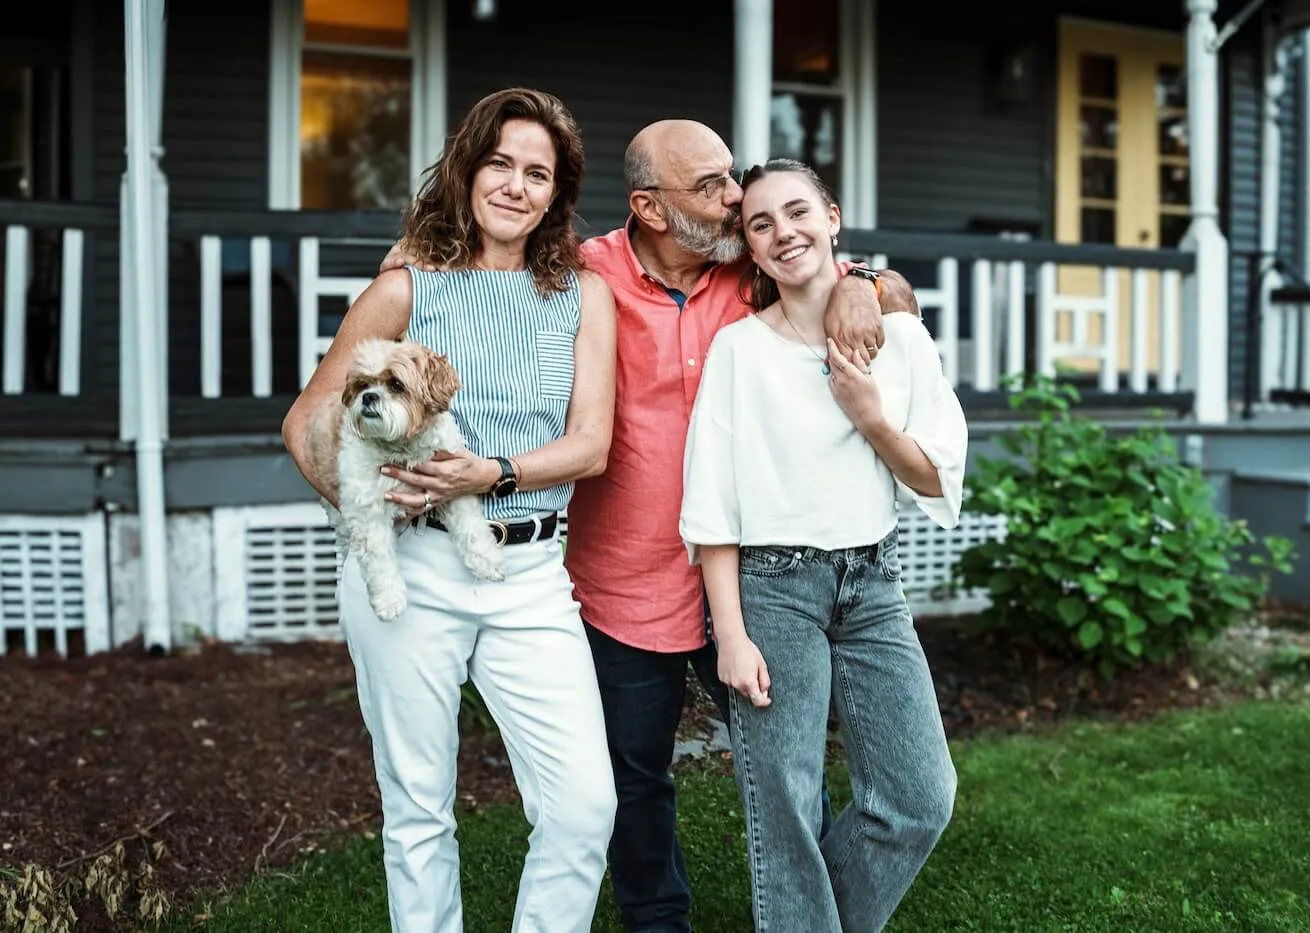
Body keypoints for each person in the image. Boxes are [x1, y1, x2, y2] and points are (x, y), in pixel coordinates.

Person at [382, 118, 920, 933]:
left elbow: (888, 294)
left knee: (786, 767)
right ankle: (657, 919)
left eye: (732, 176)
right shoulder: (580, 275)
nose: (737, 198)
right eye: (711, 186)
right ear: (651, 207)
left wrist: (863, 280)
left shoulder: (751, 271)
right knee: (634, 776)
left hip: (755, 573)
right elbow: (461, 273)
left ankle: (809, 918)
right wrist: (402, 268)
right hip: (624, 582)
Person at [282, 88, 619, 933]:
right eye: (500, 163)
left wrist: (489, 473)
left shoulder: (584, 294)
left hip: (532, 570)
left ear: (557, 192)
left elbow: (591, 444)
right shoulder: (407, 286)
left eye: (537, 172)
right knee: (420, 808)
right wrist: (367, 508)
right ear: (467, 171)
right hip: (416, 568)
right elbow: (308, 419)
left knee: (584, 804)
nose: (516, 185)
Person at [679, 158, 965, 933]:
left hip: (872, 584)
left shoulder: (899, 338)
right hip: (773, 587)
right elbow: (713, 508)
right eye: (761, 224)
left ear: (832, 218)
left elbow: (936, 479)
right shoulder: (740, 352)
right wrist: (731, 635)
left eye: (798, 212)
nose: (783, 233)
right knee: (787, 804)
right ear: (751, 247)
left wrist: (871, 415)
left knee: (918, 795)